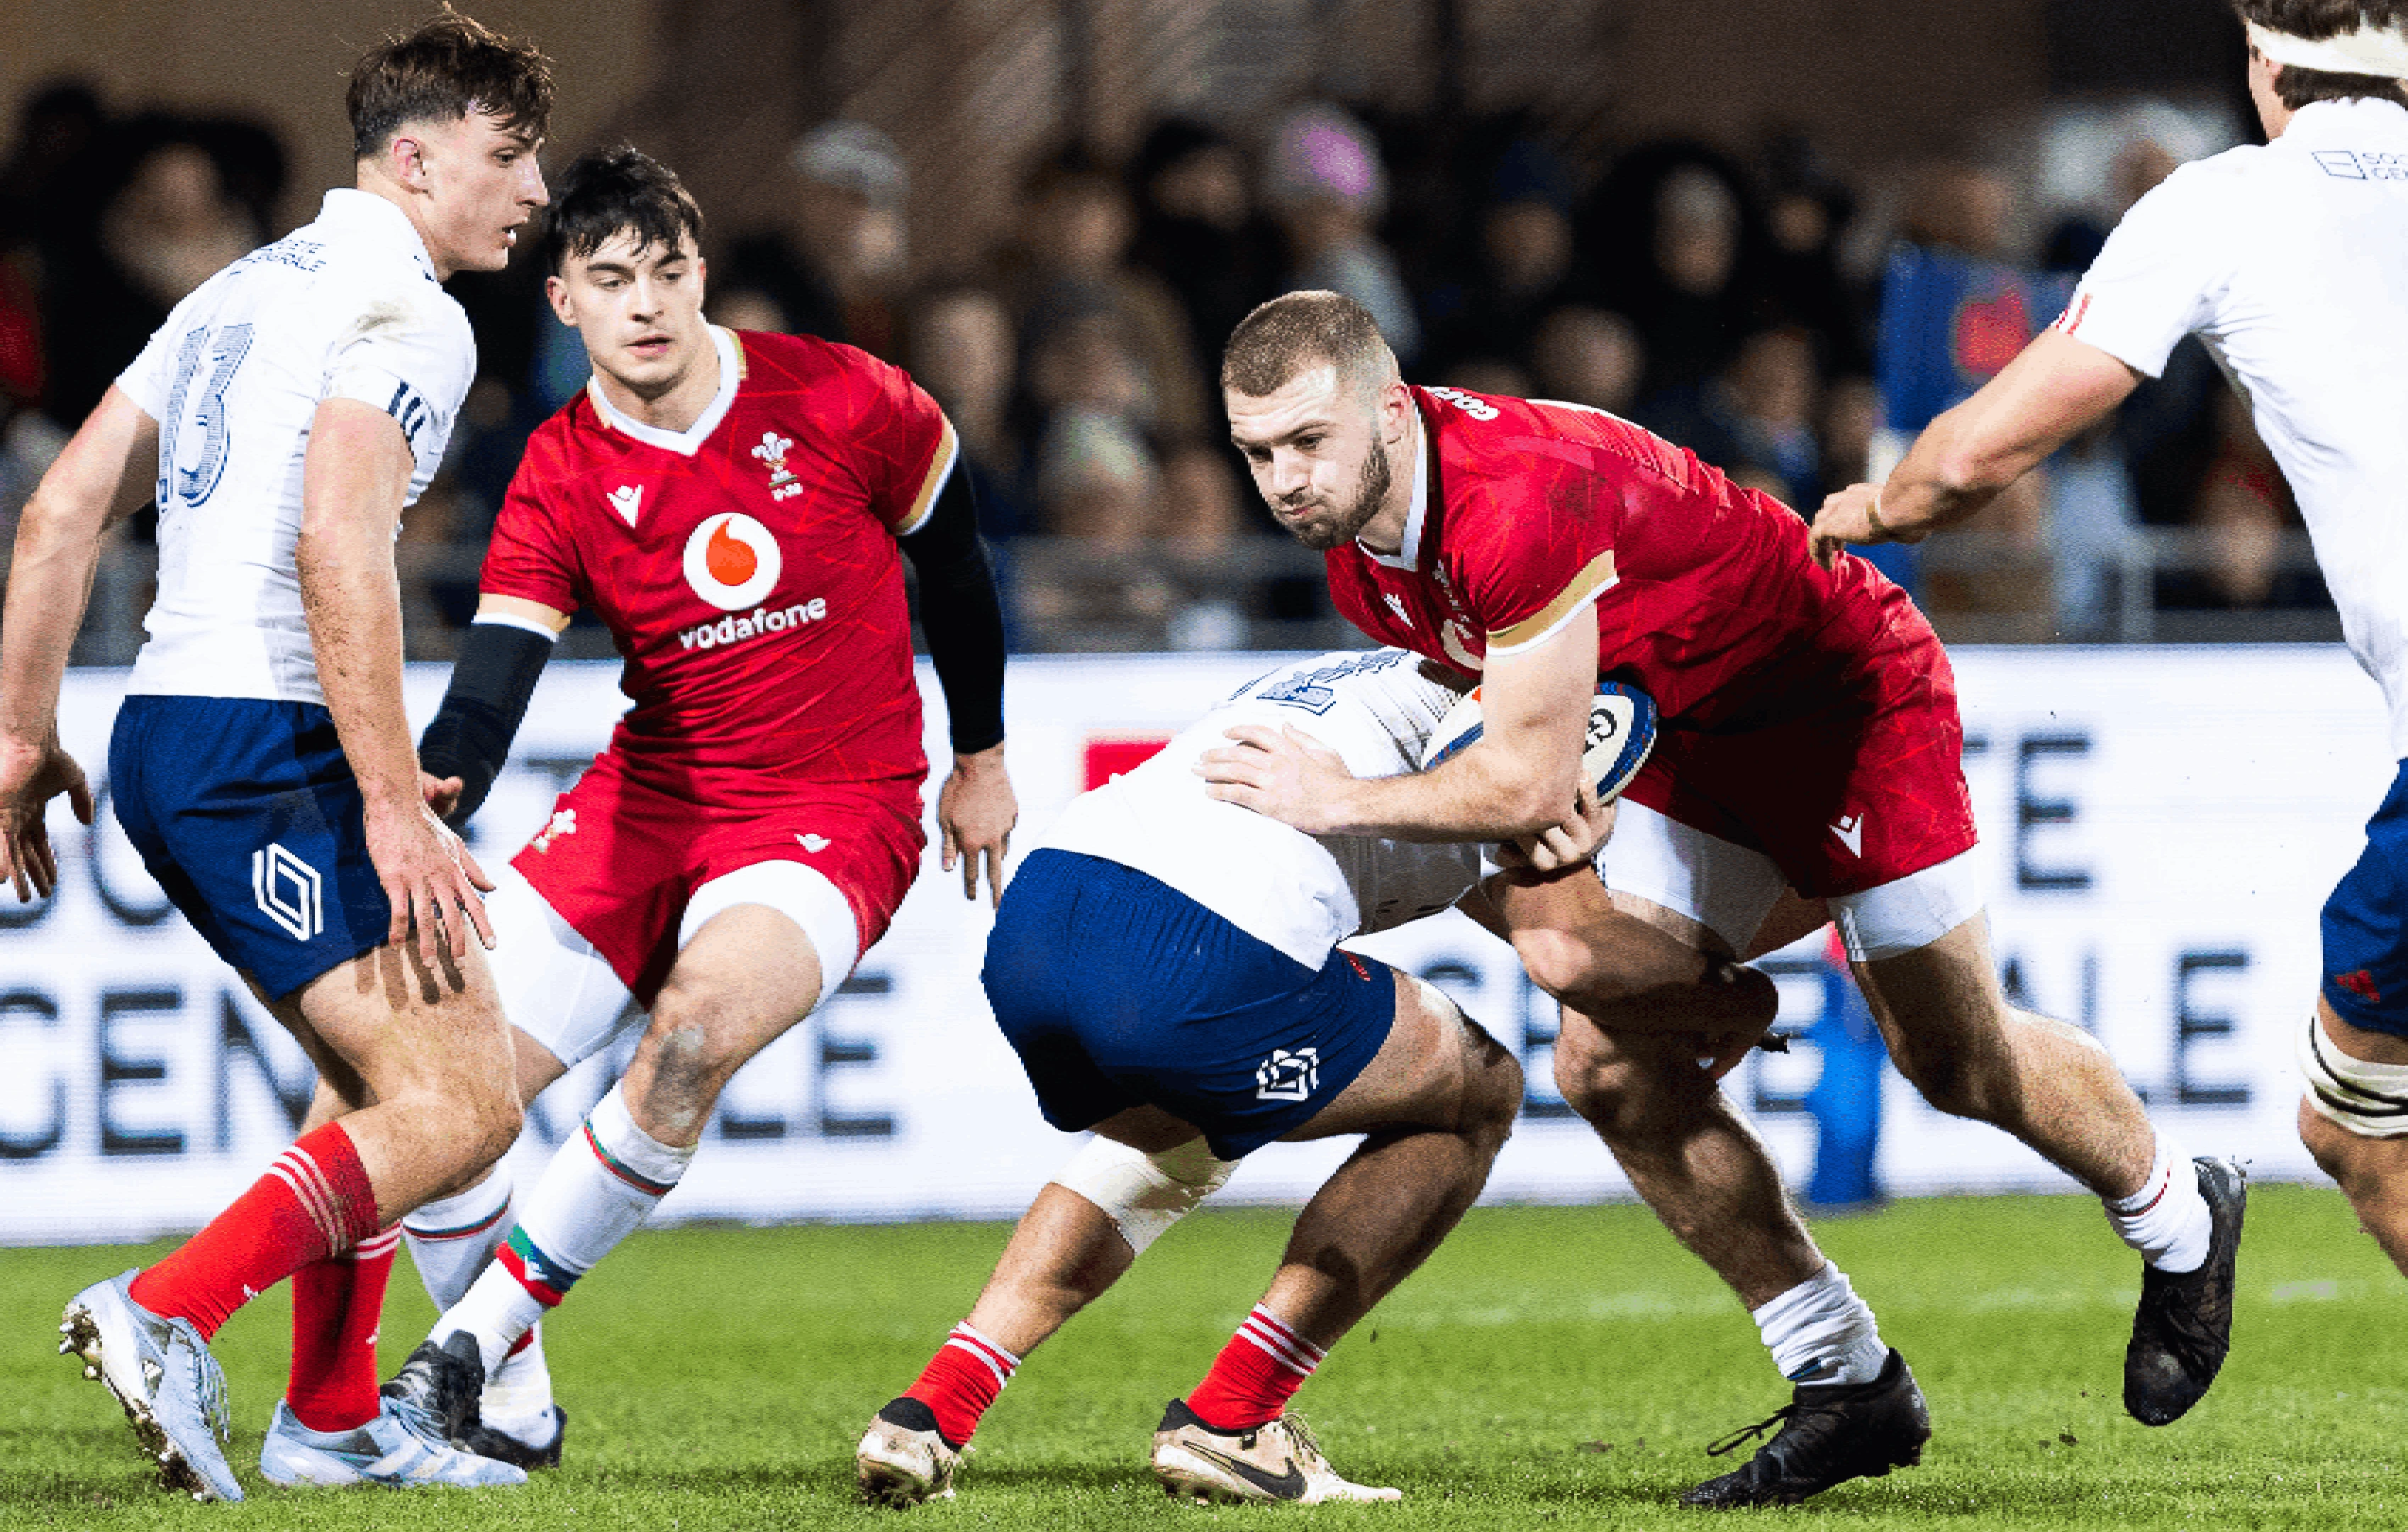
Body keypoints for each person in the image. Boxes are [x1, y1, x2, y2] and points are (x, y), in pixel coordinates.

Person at [1803, 4, 2408, 1528]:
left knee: (2356, 1131)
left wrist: (1870, 508)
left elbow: (1978, 456)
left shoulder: (2227, 201)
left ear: (2260, 55)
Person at [1198, 289, 2248, 1509]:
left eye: (1306, 442)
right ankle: (1845, 1379)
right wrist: (1559, 806)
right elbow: (1522, 748)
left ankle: (2181, 1214)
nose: (1283, 479)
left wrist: (1345, 798)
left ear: (1389, 407)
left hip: (1844, 700)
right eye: (1257, 452)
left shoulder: (1511, 496)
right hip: (1692, 737)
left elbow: (1518, 773)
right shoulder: (1361, 556)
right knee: (1601, 1051)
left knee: (1954, 1061)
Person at [367, 144, 1017, 1471]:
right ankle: (516, 1411)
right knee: (428, 1098)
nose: (647, 303)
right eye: (612, 280)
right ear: (566, 303)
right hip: (652, 800)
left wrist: (983, 754)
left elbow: (952, 558)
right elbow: (492, 689)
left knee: (690, 1039)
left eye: (668, 272)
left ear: (703, 274)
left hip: (837, 810)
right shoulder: (557, 469)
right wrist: (425, 797)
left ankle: (461, 1351)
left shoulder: (844, 395)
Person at [0, 14, 554, 1501]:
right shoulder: (414, 314)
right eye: (510, 156)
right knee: (468, 1103)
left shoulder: (237, 293)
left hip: (178, 727)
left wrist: (16, 736)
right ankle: (167, 1310)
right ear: (418, 156)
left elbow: (59, 513)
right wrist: (388, 802)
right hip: (263, 736)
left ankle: (331, 1416)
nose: (535, 189)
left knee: (382, 1071)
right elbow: (335, 542)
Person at [852, 646, 1776, 1506]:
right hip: (1196, 957)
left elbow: (1538, 928)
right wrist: (1742, 1001)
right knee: (1475, 1093)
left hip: (1042, 923)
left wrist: (1637, 968)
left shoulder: (1387, 675)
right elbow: (1571, 951)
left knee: (1174, 1132)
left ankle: (934, 1409)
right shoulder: (1526, 723)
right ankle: (1237, 1417)